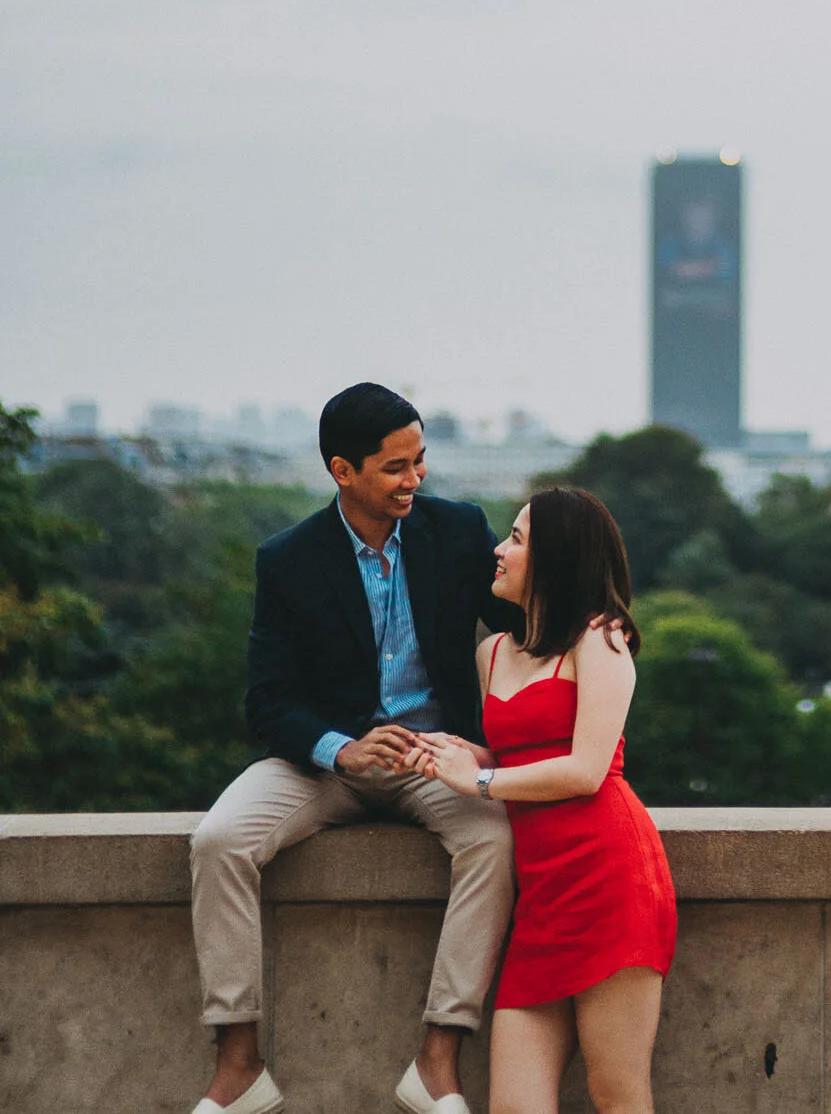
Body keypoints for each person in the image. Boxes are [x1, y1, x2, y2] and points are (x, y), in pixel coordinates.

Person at [187, 383, 519, 1114]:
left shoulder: (459, 531)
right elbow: (267, 701)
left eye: (420, 460)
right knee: (219, 839)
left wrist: (593, 622)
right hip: (326, 763)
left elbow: (522, 628)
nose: (415, 479)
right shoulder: (288, 560)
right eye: (396, 467)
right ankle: (240, 1064)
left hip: (436, 757)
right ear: (343, 471)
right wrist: (343, 750)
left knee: (495, 839)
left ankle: (437, 1060)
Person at [415, 486, 676, 1114]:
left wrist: (477, 783)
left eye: (517, 539)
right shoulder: (492, 654)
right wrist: (454, 755)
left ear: (555, 558)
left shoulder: (601, 639)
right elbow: (516, 755)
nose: (499, 551)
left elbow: (586, 771)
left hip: (611, 881)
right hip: (541, 898)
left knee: (618, 1098)